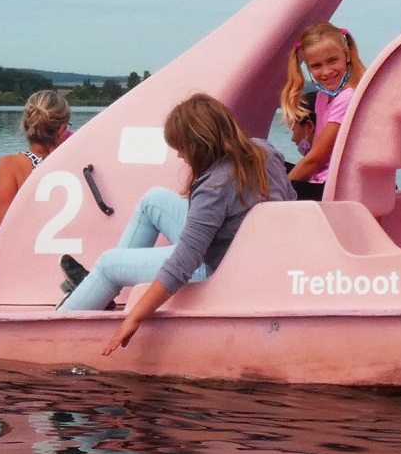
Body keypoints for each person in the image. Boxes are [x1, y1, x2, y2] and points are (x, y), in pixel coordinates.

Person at [58, 92, 292, 355]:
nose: (180, 155)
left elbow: (185, 262)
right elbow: (288, 201)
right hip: (242, 248)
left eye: (181, 148)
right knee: (153, 200)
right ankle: (107, 293)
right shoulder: (264, 151)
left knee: (110, 264)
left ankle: (55, 330)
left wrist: (134, 318)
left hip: (219, 265)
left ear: (198, 145)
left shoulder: (214, 186)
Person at [278, 20, 364, 201]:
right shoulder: (322, 97)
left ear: (347, 55)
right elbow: (316, 152)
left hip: (337, 186)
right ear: (308, 67)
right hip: (321, 179)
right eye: (316, 66)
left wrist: (279, 192)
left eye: (332, 61)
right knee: (264, 166)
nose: (326, 72)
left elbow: (316, 158)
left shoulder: (348, 98)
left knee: (268, 184)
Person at [0, 90, 71, 257]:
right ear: (62, 130)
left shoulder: (11, 165)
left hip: (22, 258)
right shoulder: (76, 165)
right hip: (64, 260)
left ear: (26, 125)